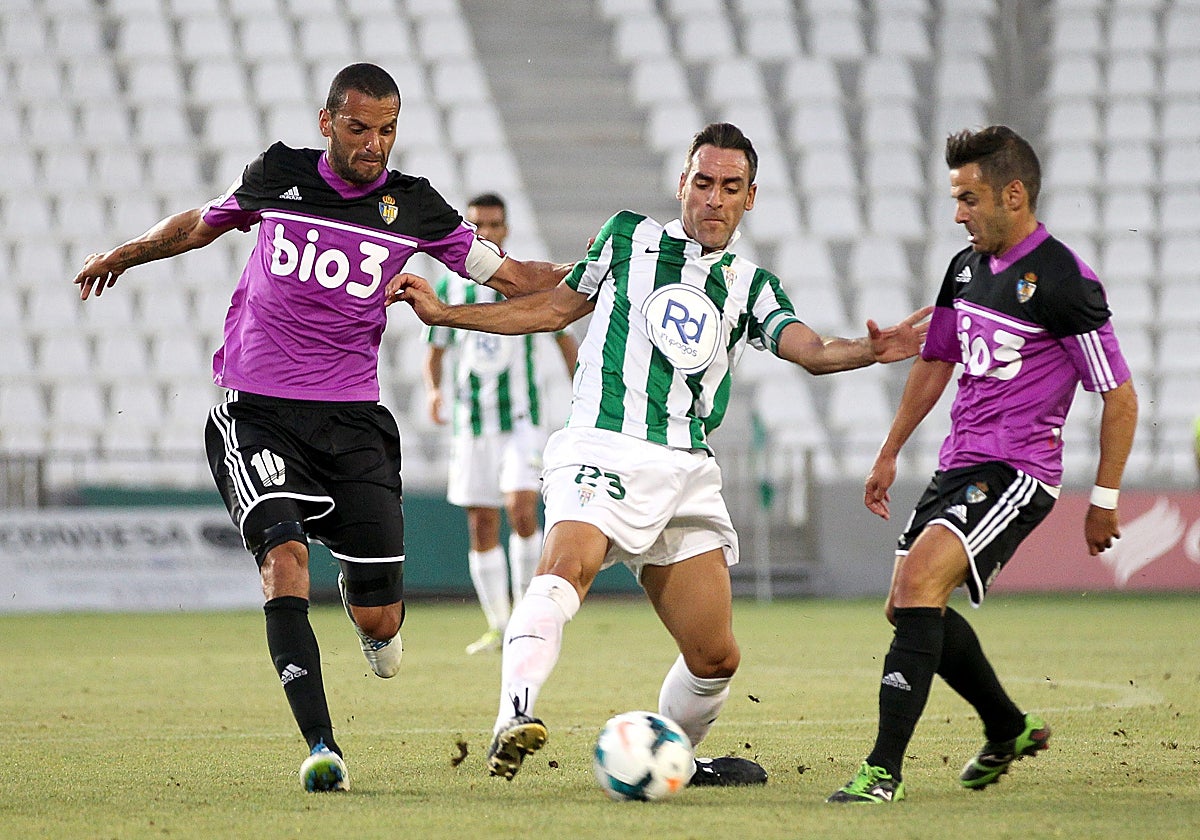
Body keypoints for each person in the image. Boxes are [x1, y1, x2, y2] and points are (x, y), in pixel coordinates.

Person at [72, 63, 566, 792]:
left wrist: (615, 272)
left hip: (352, 422)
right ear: (327, 120)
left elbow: (514, 277)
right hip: (257, 411)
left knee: (382, 622)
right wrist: (125, 252)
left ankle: (369, 619)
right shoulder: (278, 174)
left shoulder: (415, 206)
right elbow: (199, 225)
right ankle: (322, 746)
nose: (375, 144)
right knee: (284, 561)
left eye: (388, 130)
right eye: (360, 128)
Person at [392, 122, 931, 787]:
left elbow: (812, 352)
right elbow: (551, 309)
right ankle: (514, 713)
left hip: (685, 470)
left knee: (715, 656)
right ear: (682, 183)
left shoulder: (752, 286)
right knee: (567, 569)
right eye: (702, 183)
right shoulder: (628, 238)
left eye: (730, 188)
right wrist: (449, 316)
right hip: (603, 443)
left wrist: (872, 351)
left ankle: (672, 757)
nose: (713, 199)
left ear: (749, 198)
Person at [827, 126, 1138, 804]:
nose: (958, 213)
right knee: (907, 605)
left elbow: (1119, 396)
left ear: (1013, 194)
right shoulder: (966, 268)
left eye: (969, 198)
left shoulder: (1063, 281)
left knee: (916, 591)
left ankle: (883, 772)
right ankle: (1007, 727)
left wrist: (1105, 497)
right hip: (960, 463)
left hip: (1019, 470)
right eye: (955, 199)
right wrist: (888, 451)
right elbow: (936, 358)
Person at [421, 192, 579, 655]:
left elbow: (563, 338)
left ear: (506, 228)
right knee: (481, 524)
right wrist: (434, 391)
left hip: (522, 421)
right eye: (478, 226)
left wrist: (580, 391)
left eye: (494, 224)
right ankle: (499, 623)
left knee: (522, 509)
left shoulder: (527, 282)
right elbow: (437, 351)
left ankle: (530, 618)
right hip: (473, 425)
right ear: (469, 230)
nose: (487, 232)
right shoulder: (453, 287)